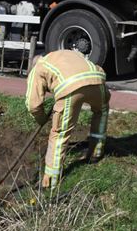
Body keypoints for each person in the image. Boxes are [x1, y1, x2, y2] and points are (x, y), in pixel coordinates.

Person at [25, 50, 110, 189]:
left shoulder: (38, 67)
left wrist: (42, 120)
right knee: (101, 112)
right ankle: (96, 152)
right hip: (98, 80)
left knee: (60, 133)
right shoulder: (64, 54)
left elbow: (33, 105)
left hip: (70, 87)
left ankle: (51, 180)